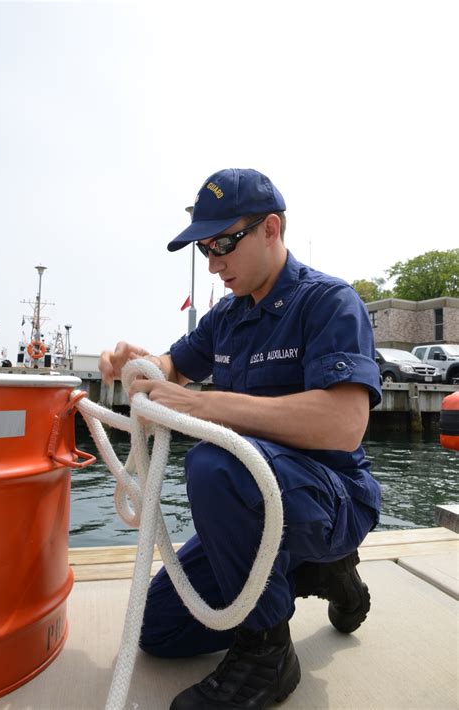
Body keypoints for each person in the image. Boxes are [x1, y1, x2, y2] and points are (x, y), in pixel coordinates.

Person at [99, 168, 382, 710]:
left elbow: (344, 424)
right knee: (158, 629)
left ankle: (267, 653)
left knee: (215, 463)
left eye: (223, 243)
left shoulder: (329, 302)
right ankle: (311, 571)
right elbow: (173, 367)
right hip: (254, 500)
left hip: (331, 497)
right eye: (205, 247)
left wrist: (204, 405)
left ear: (271, 229)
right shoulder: (226, 317)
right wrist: (139, 362)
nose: (213, 261)